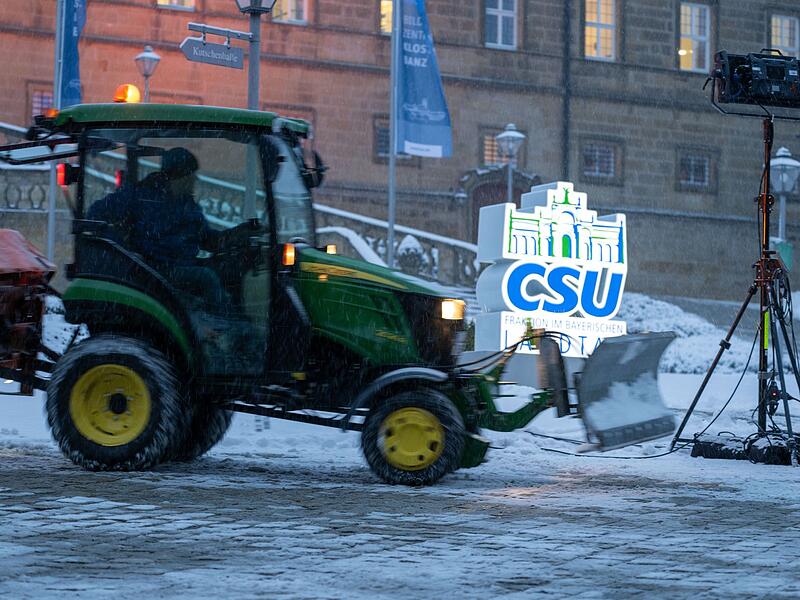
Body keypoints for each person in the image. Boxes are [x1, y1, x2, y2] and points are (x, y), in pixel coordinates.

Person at [88, 147, 228, 308]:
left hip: (184, 264)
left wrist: (233, 237)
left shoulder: (187, 204)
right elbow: (95, 215)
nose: (194, 180)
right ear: (178, 176)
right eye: (190, 176)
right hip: (155, 270)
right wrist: (122, 247)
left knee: (225, 270)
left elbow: (205, 238)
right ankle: (220, 321)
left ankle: (229, 320)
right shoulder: (141, 197)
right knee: (206, 277)